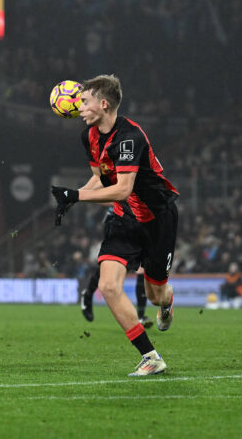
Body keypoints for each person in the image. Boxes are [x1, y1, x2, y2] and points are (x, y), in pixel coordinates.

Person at [51, 74, 178, 377]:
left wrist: (75, 195)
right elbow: (101, 177)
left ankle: (167, 301)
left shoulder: (130, 137)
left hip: (158, 220)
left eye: (85, 101)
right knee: (108, 286)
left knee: (156, 295)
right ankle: (150, 356)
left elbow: (122, 188)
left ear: (104, 104)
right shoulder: (89, 136)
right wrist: (74, 198)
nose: (79, 107)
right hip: (124, 218)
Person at [81, 209, 153, 327]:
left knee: (142, 267)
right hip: (117, 221)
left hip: (138, 223)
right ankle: (88, 295)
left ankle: (140, 316)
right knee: (110, 265)